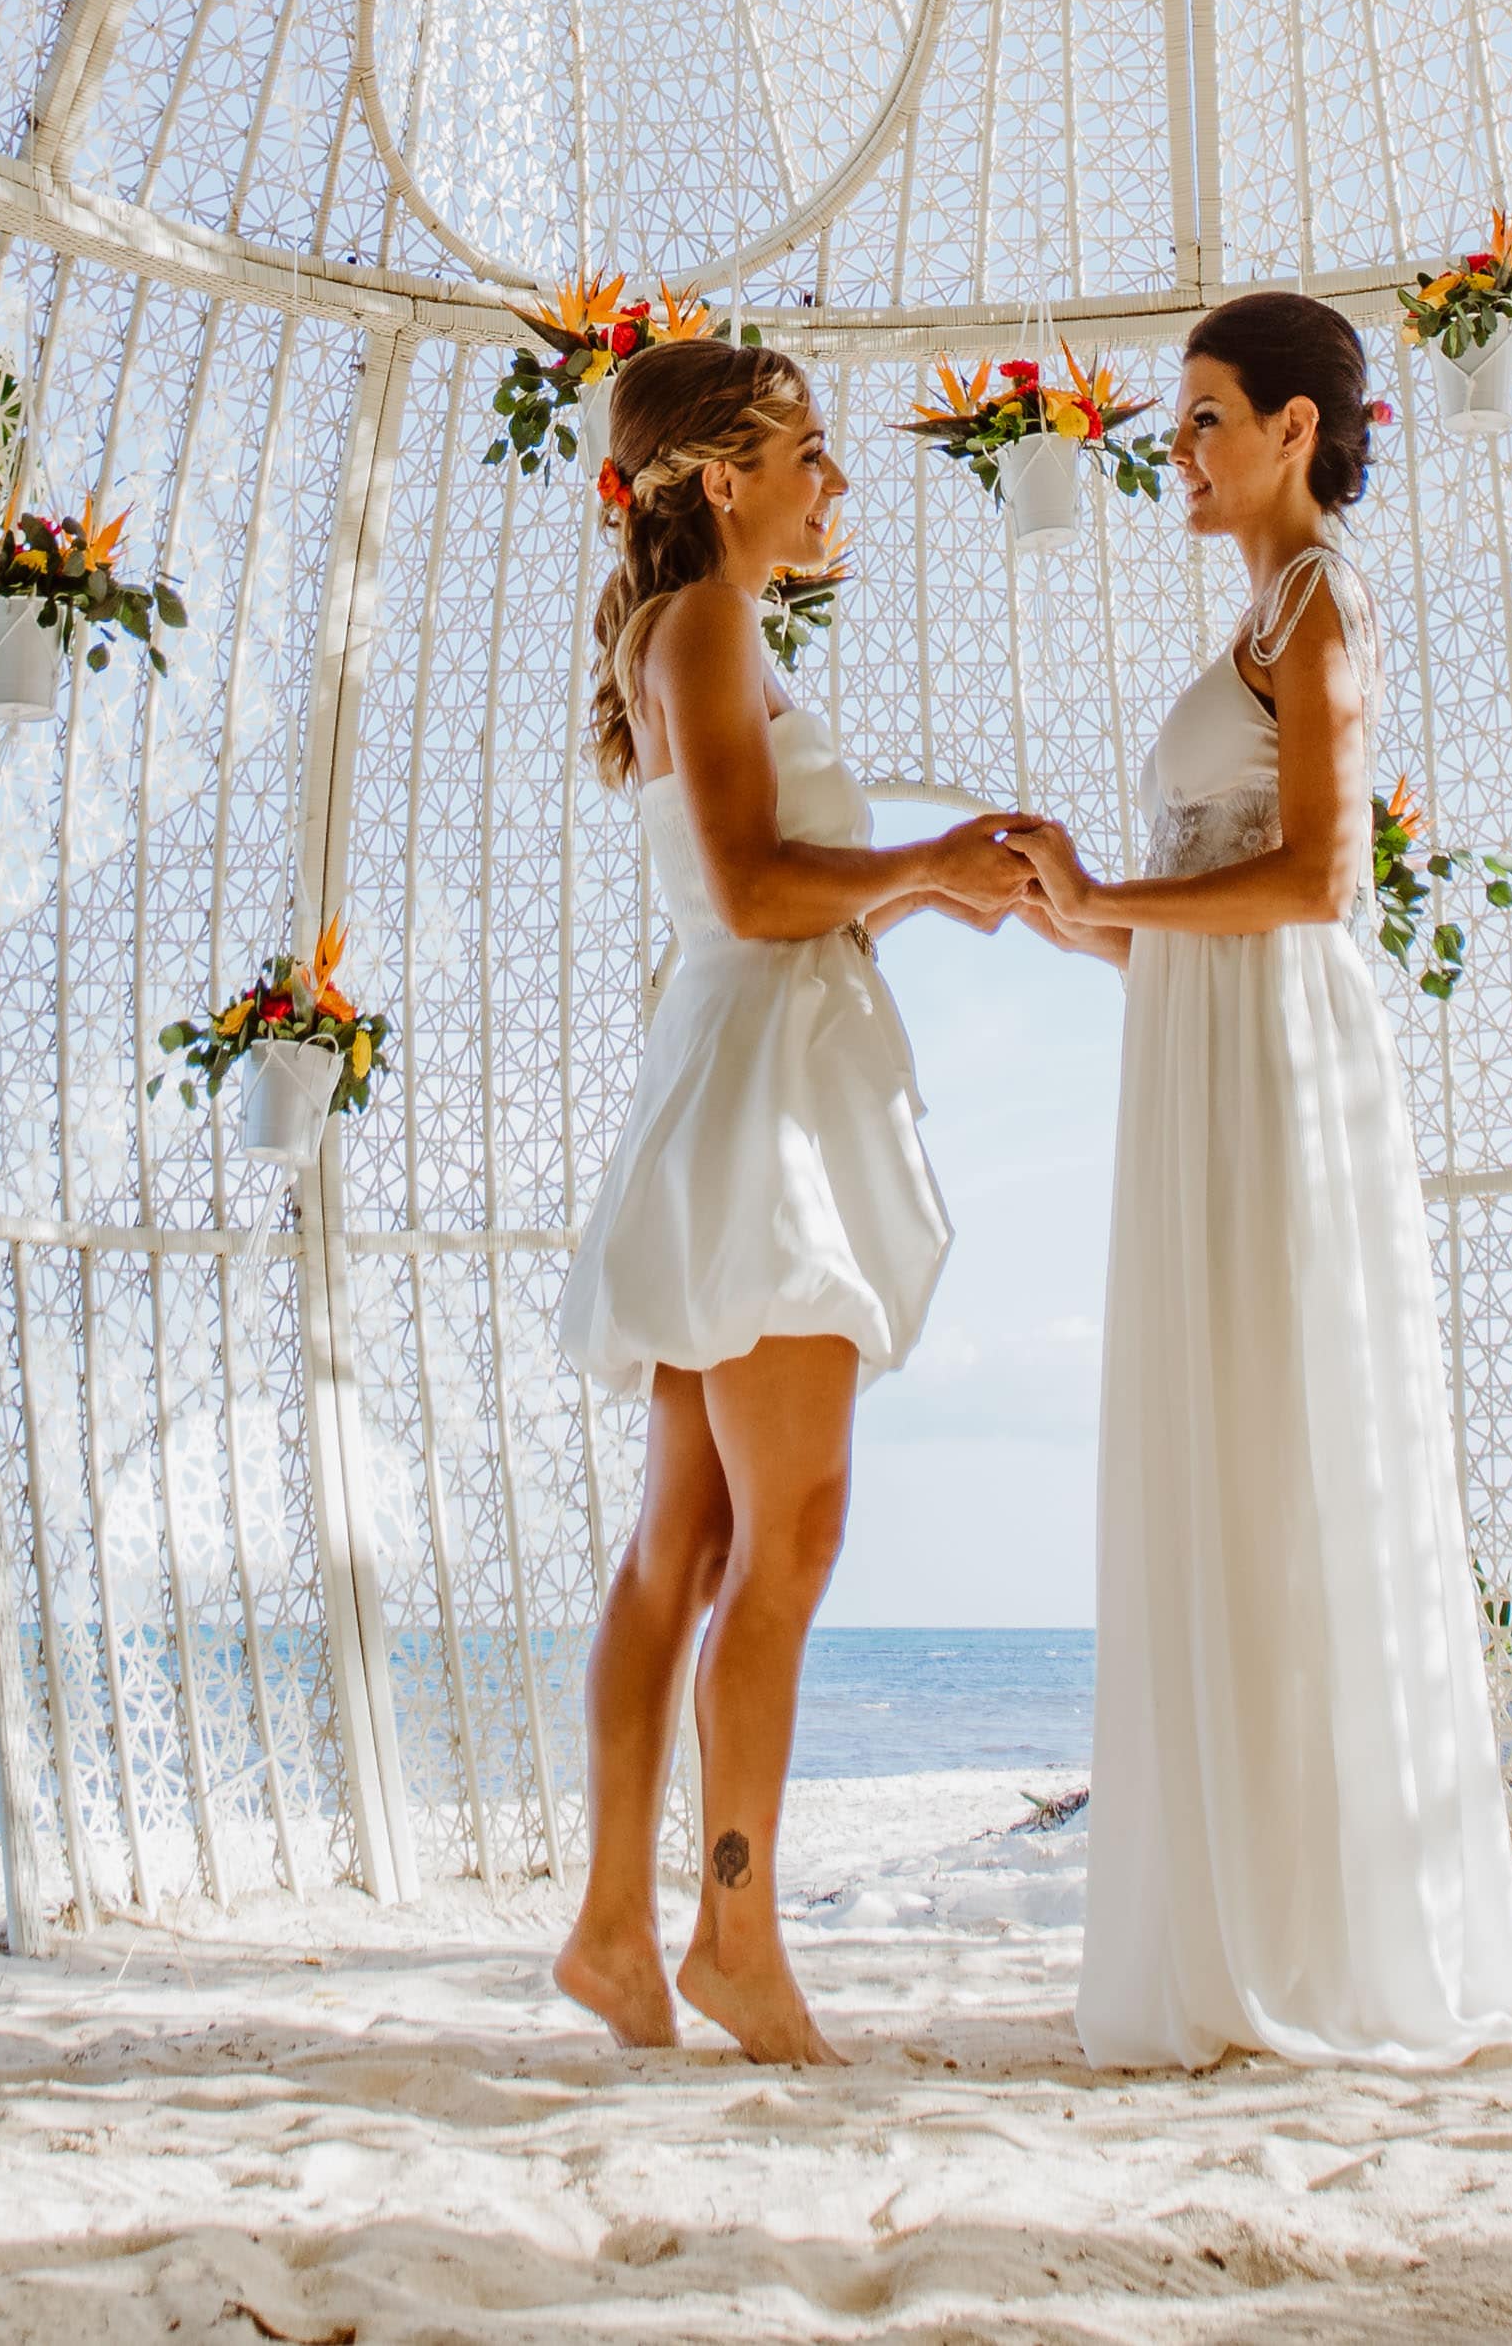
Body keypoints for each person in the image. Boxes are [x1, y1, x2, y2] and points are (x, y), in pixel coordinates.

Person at [1003, 292, 1512, 2069]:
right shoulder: (1256, 614)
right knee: (1222, 1449)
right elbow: (1202, 923)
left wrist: (1109, 895)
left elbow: (1316, 883)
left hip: (1277, 1076)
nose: (1177, 450)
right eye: (1179, 421)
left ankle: (1320, 1932)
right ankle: (1246, 1903)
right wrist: (1073, 913)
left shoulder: (1320, 601)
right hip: (1204, 1063)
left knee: (1286, 1441)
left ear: (1296, 430)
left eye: (1205, 418)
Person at [549, 340, 1031, 2061]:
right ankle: (731, 1937)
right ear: (718, 477)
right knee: (790, 1535)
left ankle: (618, 1931)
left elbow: (765, 898)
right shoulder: (703, 624)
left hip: (739, 1073)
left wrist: (926, 890)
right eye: (808, 450)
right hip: (764, 1114)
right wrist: (921, 857)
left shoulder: (701, 632)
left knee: (682, 1543)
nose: (834, 482)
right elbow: (754, 888)